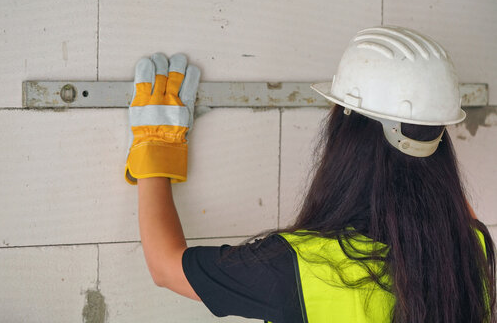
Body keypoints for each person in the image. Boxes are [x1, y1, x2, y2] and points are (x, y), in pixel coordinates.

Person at [124, 26, 496, 323]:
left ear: (346, 140)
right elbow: (428, 178)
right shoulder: (469, 248)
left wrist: (156, 144)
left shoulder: (299, 266)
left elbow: (166, 266)